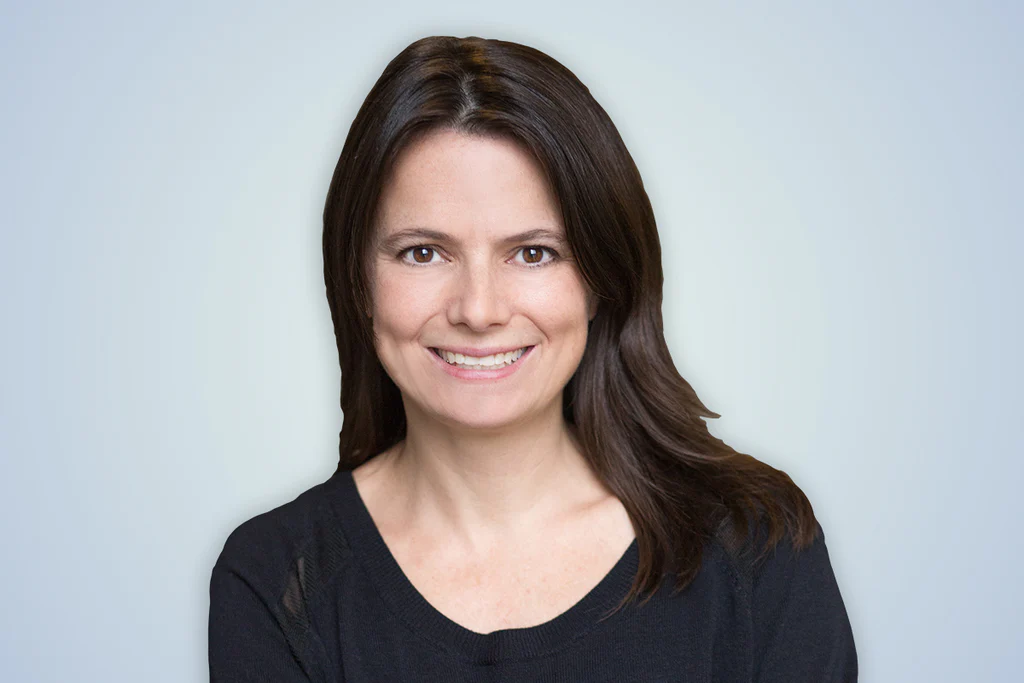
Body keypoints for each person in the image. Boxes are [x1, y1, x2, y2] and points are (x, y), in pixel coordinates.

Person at [208, 35, 857, 682]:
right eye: (423, 252)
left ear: (602, 278)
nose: (479, 309)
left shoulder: (757, 549)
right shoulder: (274, 578)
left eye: (533, 252)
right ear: (358, 282)